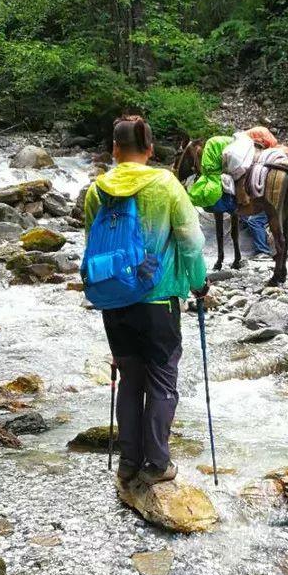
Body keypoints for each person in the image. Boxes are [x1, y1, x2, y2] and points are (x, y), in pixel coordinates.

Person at [84, 116, 208, 486]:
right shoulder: (166, 184)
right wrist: (199, 284)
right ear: (150, 149)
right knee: (162, 381)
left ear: (114, 149)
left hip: (114, 300)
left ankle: (127, 462)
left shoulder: (97, 190)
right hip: (158, 302)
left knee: (129, 380)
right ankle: (156, 464)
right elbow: (190, 242)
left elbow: (93, 243)